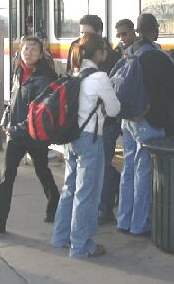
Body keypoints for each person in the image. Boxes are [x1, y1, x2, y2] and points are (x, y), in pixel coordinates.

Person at [52, 33, 121, 258]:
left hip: (72, 138)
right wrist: (113, 87)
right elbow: (114, 110)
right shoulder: (100, 77)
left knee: (69, 189)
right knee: (87, 193)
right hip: (91, 140)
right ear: (98, 53)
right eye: (104, 50)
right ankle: (81, 246)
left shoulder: (75, 73)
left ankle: (60, 237)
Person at [0, 36, 60, 237]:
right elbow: (13, 99)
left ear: (41, 54)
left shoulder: (45, 78)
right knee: (6, 178)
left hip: (34, 135)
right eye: (26, 49)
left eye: (34, 50)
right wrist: (4, 120)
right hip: (16, 135)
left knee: (42, 171)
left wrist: (16, 129)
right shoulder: (19, 72)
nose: (28, 53)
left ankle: (55, 206)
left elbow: (40, 113)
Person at [117, 13, 174, 236]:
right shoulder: (157, 56)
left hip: (128, 119)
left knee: (129, 169)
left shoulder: (128, 52)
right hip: (148, 121)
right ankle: (140, 223)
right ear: (155, 31)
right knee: (144, 171)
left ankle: (124, 220)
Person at [97, 18, 136, 225]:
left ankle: (105, 206)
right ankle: (109, 197)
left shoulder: (118, 57)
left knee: (106, 161)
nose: (122, 39)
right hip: (105, 120)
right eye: (119, 35)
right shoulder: (117, 54)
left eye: (125, 34)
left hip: (112, 119)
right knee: (105, 162)